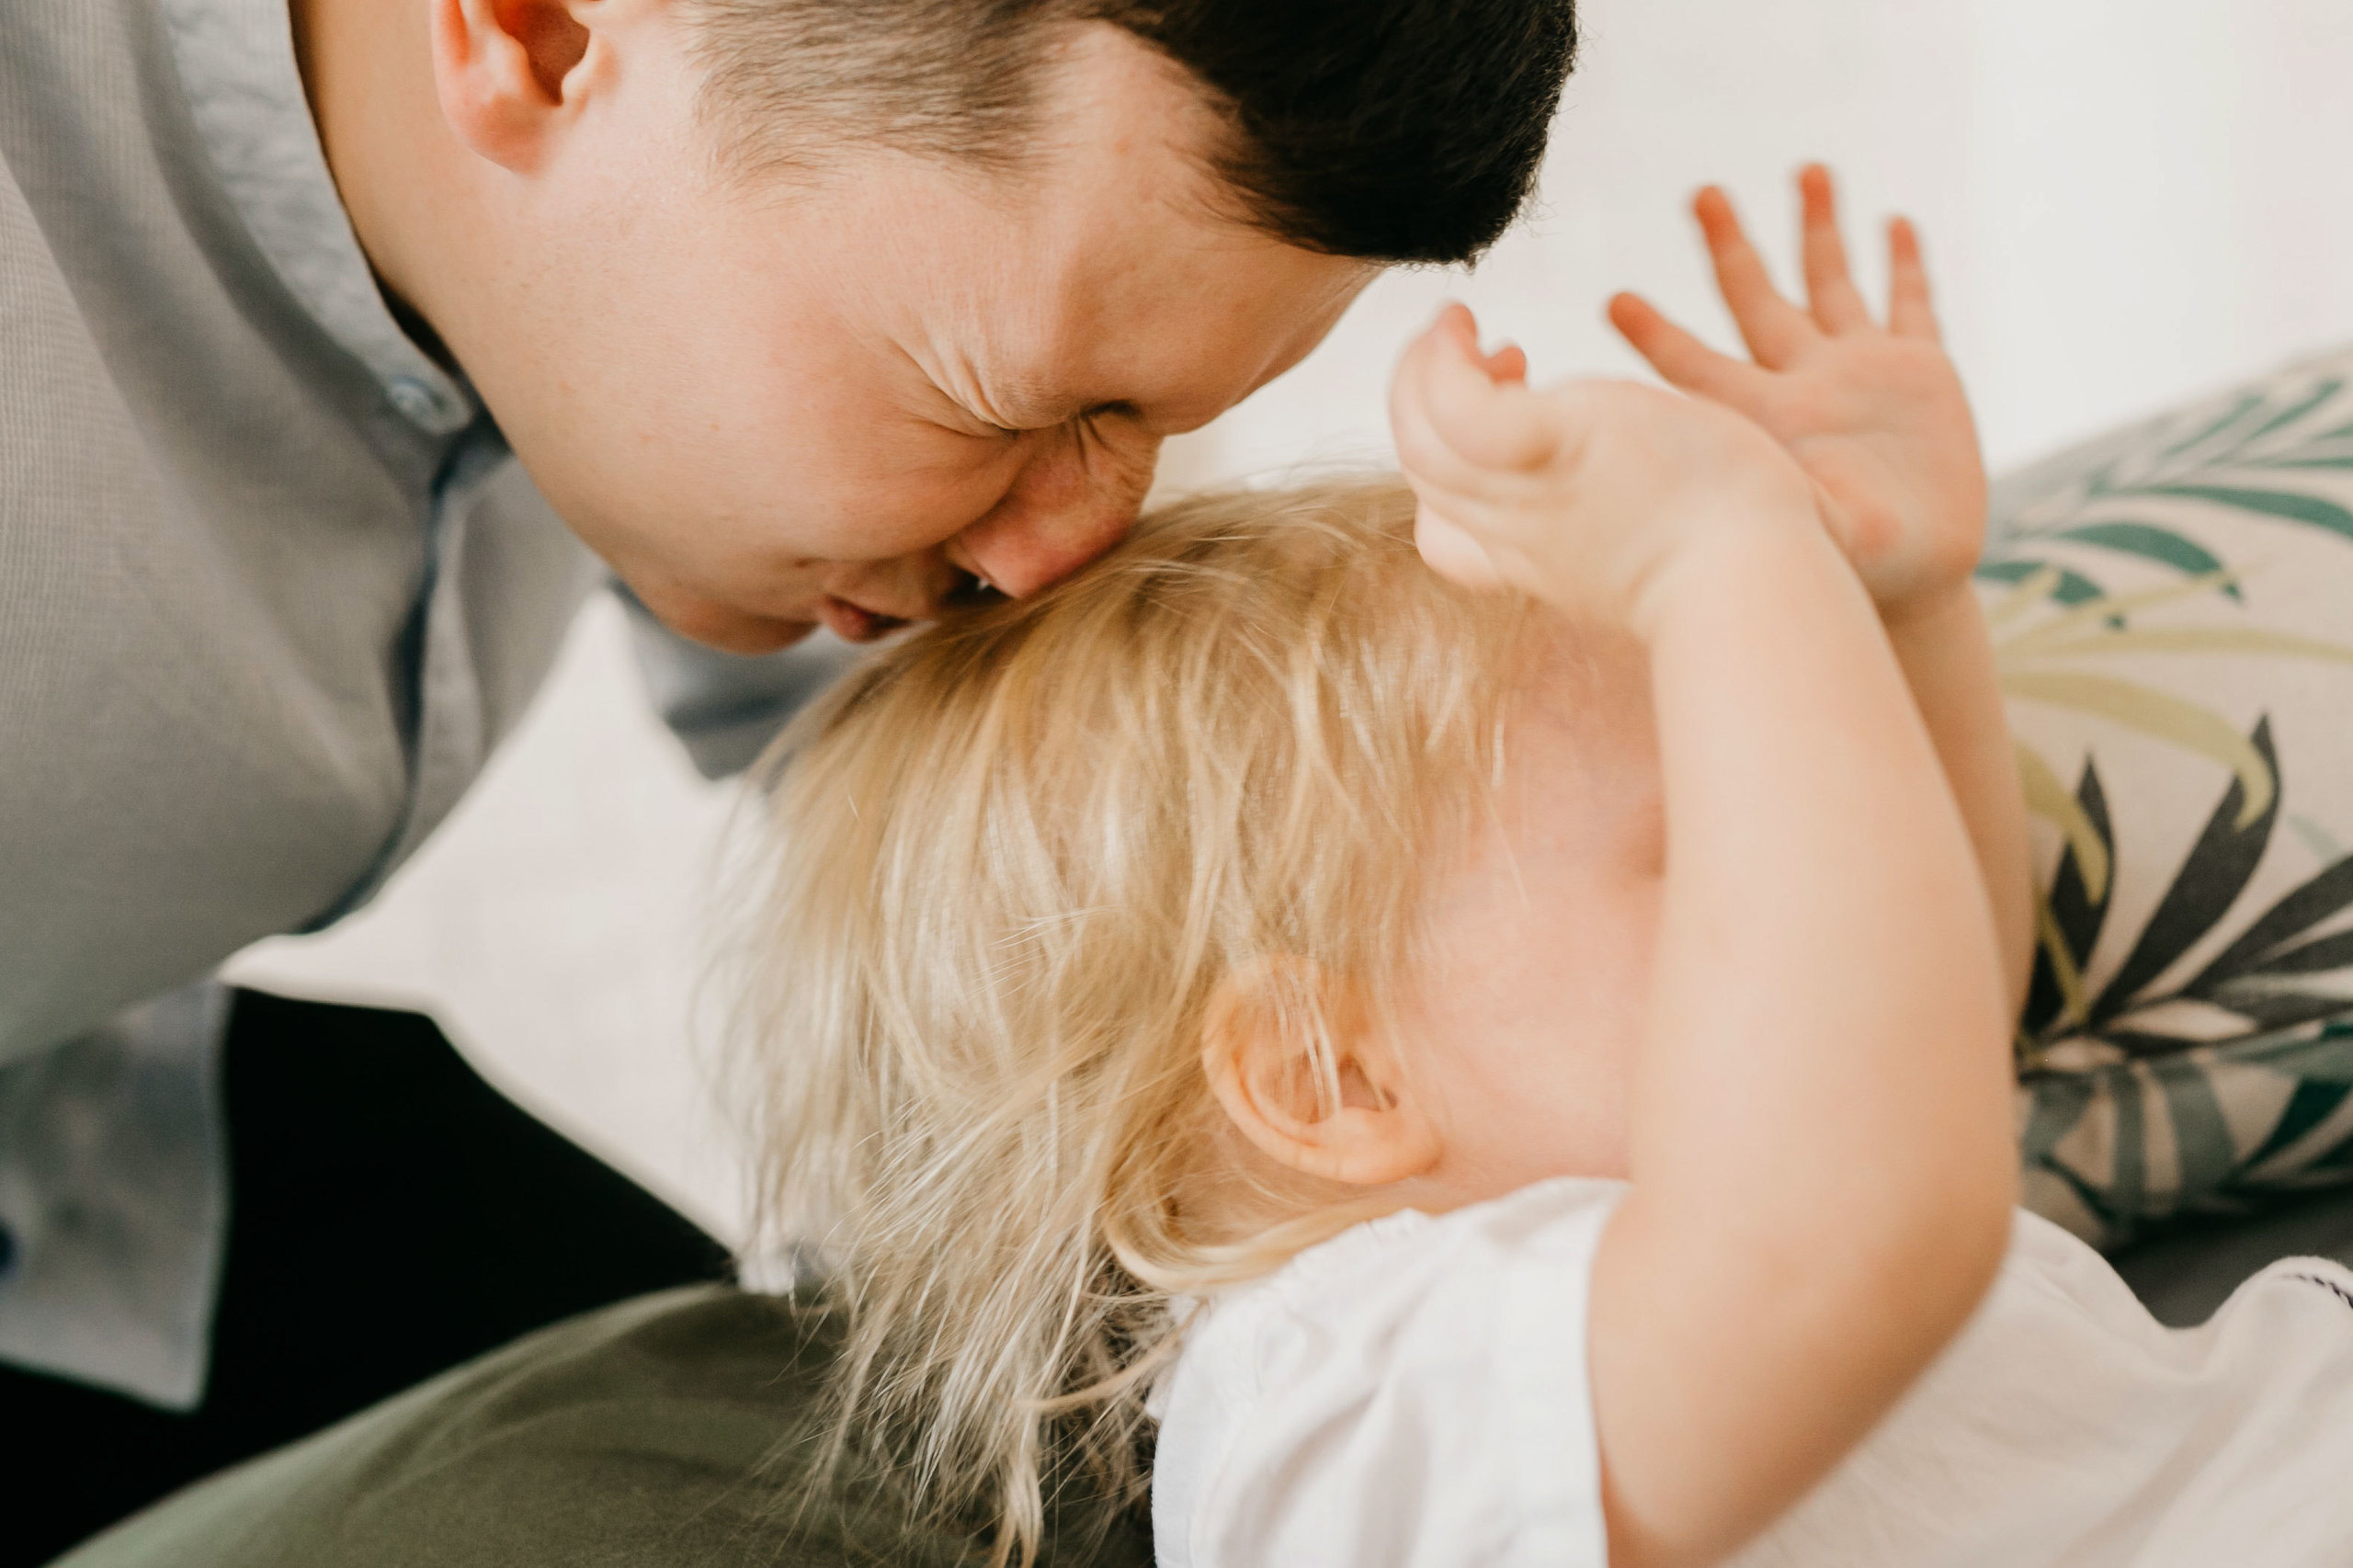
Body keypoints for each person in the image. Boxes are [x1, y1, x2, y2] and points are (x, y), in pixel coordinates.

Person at [0, 0, 1578, 1555]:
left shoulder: (692, 226)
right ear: (538, 36)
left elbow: (994, 823)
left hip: (94, 1150)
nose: (1059, 554)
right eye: (1019, 411)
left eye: (1149, 429)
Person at [724, 176, 2353, 1566]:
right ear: (1325, 1072)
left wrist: (1899, 600)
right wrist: (1726, 563)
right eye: (1701, 844)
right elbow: (1856, 1216)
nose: (1797, 860)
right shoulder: (1349, 1398)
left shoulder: (1651, 1205)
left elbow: (1924, 1049)